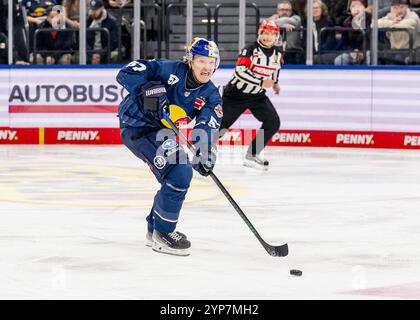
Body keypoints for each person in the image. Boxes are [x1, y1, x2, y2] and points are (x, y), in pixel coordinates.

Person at [116, 37, 222, 256]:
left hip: (161, 132)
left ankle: (155, 227)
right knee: (179, 170)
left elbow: (208, 124)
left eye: (212, 62)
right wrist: (147, 88)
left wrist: (205, 152)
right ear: (190, 60)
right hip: (138, 127)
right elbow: (125, 73)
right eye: (202, 61)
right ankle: (163, 234)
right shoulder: (167, 69)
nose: (207, 67)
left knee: (177, 173)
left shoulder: (210, 94)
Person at [218, 19, 282, 170]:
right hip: (235, 94)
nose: (268, 37)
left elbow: (275, 69)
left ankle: (252, 154)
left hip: (257, 96)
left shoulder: (278, 53)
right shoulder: (250, 49)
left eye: (272, 34)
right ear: (260, 33)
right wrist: (261, 82)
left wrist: (275, 83)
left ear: (276, 37)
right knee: (221, 126)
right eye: (265, 33)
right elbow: (239, 72)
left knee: (273, 122)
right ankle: (200, 151)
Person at [335, 0, 372, 65]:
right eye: (353, 6)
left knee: (370, 56)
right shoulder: (346, 23)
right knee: (339, 60)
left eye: (359, 6)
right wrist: (351, 51)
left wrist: (361, 52)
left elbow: (373, 41)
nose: (356, 9)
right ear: (350, 9)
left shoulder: (371, 20)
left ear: (364, 7)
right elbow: (343, 44)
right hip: (352, 53)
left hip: (367, 51)